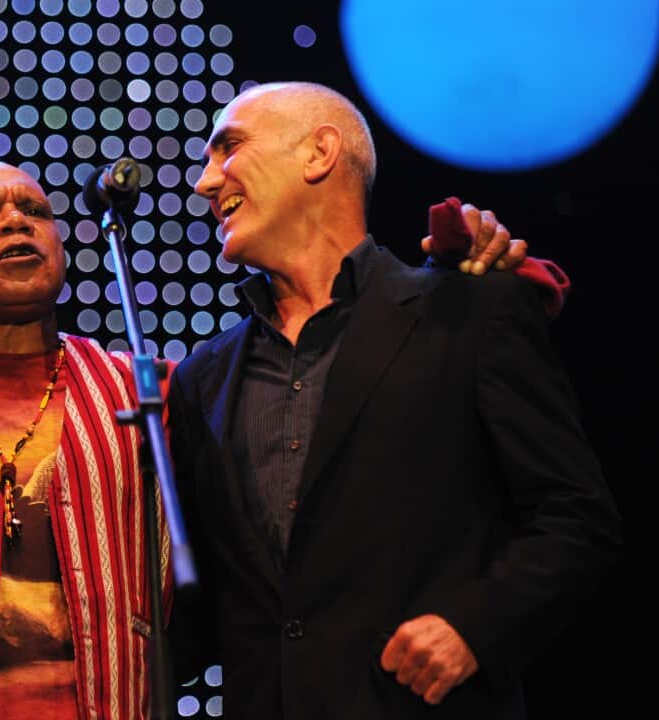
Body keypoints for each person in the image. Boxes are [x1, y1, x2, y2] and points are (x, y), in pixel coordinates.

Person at [0, 160, 537, 719]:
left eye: (34, 211)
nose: (16, 221)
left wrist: (486, 287)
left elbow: (329, 401)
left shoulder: (155, 390)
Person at [166, 81, 621, 718]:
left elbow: (575, 517)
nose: (206, 183)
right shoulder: (202, 376)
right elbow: (209, 601)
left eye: (228, 148)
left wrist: (474, 627)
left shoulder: (469, 311)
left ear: (319, 153)